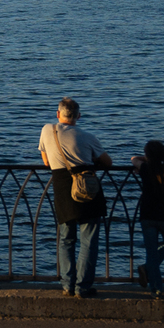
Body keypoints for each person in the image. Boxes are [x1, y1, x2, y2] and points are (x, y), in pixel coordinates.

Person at [38, 98, 113, 297]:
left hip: (63, 189)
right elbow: (108, 162)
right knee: (88, 240)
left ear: (58, 114)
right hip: (88, 189)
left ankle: (67, 285)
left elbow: (46, 161)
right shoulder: (87, 136)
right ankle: (83, 287)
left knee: (66, 239)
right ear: (78, 116)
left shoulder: (47, 130)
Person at [130, 141, 164, 296]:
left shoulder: (146, 168)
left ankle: (156, 288)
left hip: (147, 214)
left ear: (148, 155)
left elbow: (134, 159)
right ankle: (148, 270)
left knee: (151, 252)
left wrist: (147, 158)